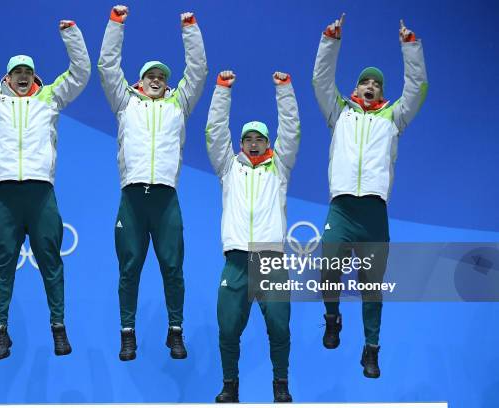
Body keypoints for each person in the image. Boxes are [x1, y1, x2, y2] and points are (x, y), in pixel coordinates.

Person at [0, 20, 91, 360]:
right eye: (17, 71)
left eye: (28, 70)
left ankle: (58, 329)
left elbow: (81, 72)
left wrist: (70, 34)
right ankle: (0, 332)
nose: (23, 75)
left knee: (52, 265)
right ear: (7, 78)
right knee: (2, 267)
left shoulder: (50, 97)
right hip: (8, 199)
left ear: (35, 76)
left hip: (42, 197)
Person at [312, 14, 428, 378]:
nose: (370, 85)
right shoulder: (339, 112)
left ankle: (371, 349)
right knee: (328, 266)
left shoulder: (394, 117)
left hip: (374, 213)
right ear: (356, 87)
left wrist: (410, 46)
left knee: (371, 287)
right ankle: (332, 319)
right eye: (364, 81)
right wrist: (331, 40)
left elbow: (418, 86)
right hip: (342, 208)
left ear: (382, 91)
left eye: (376, 83)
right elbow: (320, 79)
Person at [97, 4, 208, 361]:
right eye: (151, 75)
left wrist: (189, 27)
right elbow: (106, 66)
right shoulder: (124, 103)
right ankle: (127, 334)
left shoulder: (179, 105)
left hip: (165, 201)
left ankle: (175, 332)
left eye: (162, 75)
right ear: (139, 80)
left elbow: (199, 70)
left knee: (173, 270)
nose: (157, 79)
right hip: (132, 200)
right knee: (129, 270)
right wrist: (116, 23)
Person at [206, 70, 301, 403]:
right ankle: (230, 387)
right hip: (235, 261)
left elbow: (291, 129)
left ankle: (281, 386)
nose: (254, 143)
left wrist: (284, 90)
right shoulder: (228, 168)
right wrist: (222, 91)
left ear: (268, 142)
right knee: (228, 328)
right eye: (248, 138)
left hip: (270, 258)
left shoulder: (280, 168)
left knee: (279, 327)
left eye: (260, 138)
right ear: (242, 143)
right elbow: (215, 132)